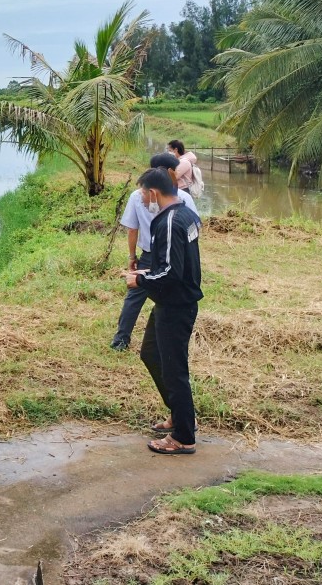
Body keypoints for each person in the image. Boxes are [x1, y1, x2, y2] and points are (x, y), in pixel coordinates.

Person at [124, 168, 202, 455]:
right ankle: (180, 415)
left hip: (175, 305)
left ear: (154, 193)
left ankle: (184, 436)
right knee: (151, 353)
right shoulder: (186, 214)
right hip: (172, 302)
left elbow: (171, 273)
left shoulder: (169, 222)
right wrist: (148, 270)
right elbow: (175, 264)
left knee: (174, 370)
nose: (143, 200)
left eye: (143, 194)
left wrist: (140, 279)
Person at [110, 153, 200, 351]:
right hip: (173, 255)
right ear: (169, 173)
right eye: (175, 171)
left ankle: (121, 339)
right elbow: (194, 227)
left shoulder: (138, 195)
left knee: (138, 295)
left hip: (151, 254)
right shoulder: (182, 197)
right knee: (161, 291)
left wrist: (132, 257)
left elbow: (132, 229)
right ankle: (158, 340)